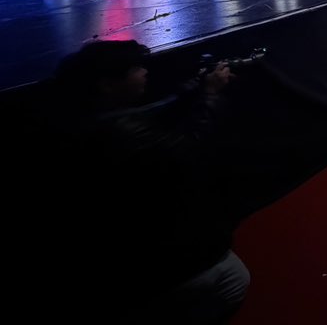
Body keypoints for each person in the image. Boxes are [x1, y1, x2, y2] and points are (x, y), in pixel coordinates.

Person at [9, 40, 249, 323]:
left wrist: (189, 91)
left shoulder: (74, 121)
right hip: (175, 269)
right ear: (107, 84)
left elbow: (148, 115)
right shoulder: (119, 134)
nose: (145, 72)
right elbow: (191, 149)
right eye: (135, 68)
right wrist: (210, 95)